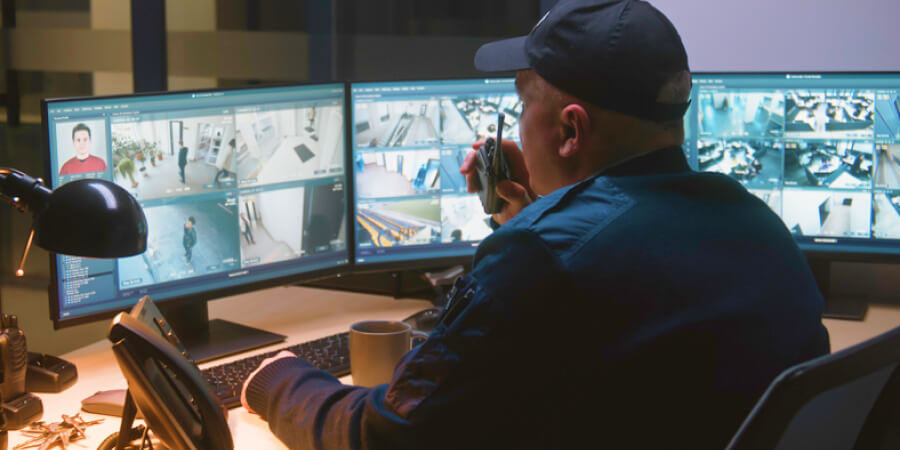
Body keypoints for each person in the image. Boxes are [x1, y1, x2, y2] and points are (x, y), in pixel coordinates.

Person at [241, 1, 830, 449]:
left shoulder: (543, 257)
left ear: (570, 132)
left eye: (524, 106)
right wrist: (547, 210)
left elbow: (394, 432)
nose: (518, 127)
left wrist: (280, 383)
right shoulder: (756, 223)